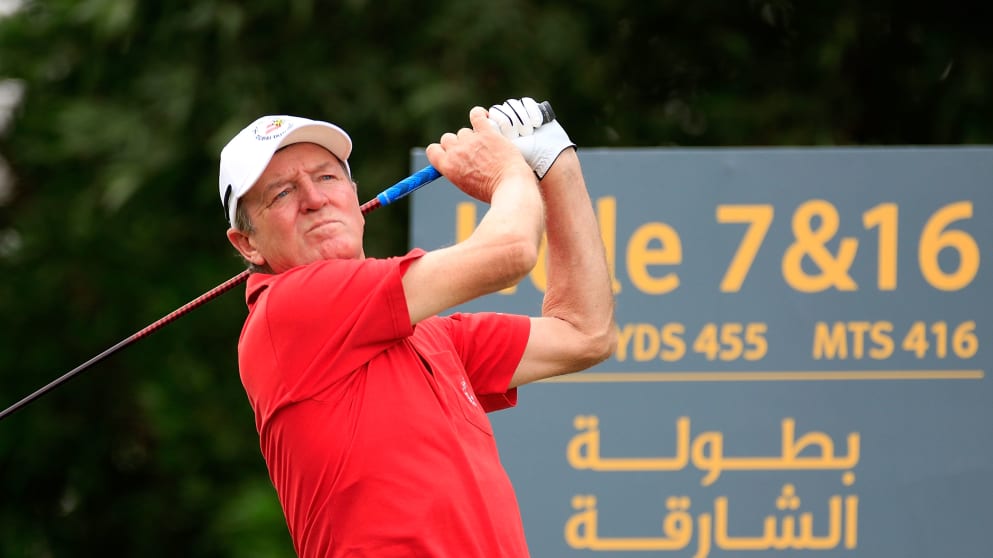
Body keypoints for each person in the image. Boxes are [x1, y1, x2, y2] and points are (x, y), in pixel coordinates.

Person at [217, 97, 616, 557]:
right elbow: (509, 254)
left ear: (354, 195)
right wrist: (506, 172)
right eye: (282, 192)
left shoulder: (432, 335)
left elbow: (585, 332)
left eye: (327, 176)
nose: (314, 198)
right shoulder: (288, 308)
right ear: (247, 243)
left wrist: (555, 163)